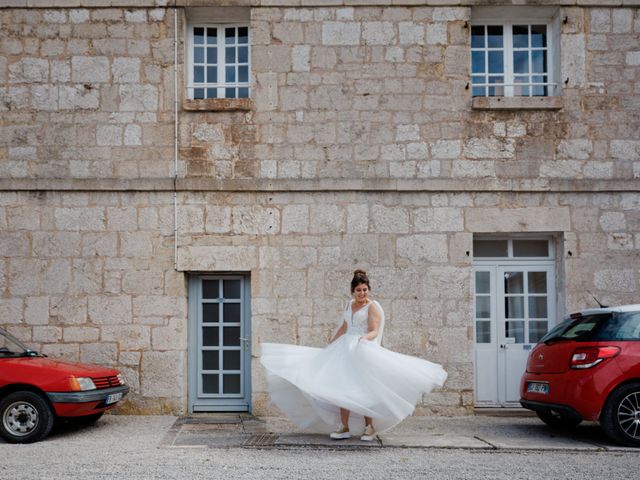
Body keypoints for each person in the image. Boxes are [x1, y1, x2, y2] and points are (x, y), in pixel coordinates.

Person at [260, 269, 447, 441]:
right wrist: (331, 343)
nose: (362, 293)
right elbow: (344, 327)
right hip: (344, 349)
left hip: (361, 348)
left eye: (365, 289)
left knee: (364, 388)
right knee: (344, 387)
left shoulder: (372, 307)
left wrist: (365, 339)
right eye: (358, 290)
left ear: (368, 290)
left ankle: (369, 427)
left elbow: (374, 330)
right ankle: (344, 427)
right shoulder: (349, 305)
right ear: (353, 291)